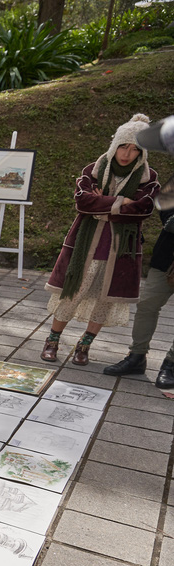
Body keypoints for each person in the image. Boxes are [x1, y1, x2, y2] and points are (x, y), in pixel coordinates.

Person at [42, 114, 159, 366]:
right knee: (72, 292)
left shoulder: (148, 179)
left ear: (142, 153)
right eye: (123, 146)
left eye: (135, 149)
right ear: (115, 144)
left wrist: (103, 203)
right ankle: (52, 340)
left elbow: (144, 209)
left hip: (121, 250)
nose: (127, 154)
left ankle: (84, 346)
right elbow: (82, 201)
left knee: (105, 299)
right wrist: (121, 202)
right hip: (86, 243)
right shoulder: (93, 171)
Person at [105, 114, 174, 387]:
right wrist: (171, 221)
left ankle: (171, 363)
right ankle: (137, 356)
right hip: (168, 254)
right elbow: (164, 203)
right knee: (147, 305)